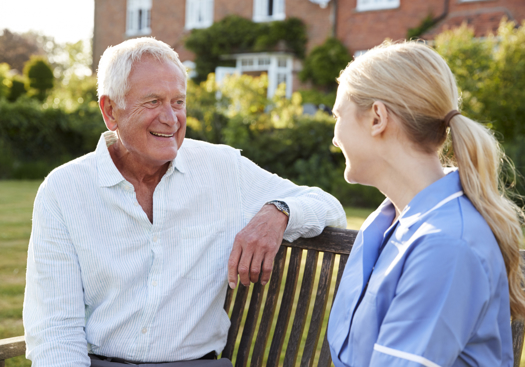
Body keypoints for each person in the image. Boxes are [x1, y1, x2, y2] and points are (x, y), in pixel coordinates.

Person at [23, 37, 346, 367]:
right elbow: (54, 330)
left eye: (178, 102)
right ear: (110, 111)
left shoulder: (223, 170)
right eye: (152, 102)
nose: (171, 118)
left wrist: (278, 212)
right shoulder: (64, 191)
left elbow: (328, 205)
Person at [327, 41, 525, 367]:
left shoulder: (446, 244)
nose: (335, 137)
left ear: (377, 117)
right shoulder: (393, 220)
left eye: (338, 115)